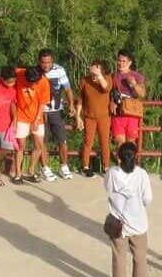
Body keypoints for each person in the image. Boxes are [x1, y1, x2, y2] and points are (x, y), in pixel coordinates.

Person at [105, 141, 152, 277]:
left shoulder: (111, 173)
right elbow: (147, 199)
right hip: (138, 223)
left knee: (119, 259)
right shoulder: (142, 174)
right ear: (135, 156)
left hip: (117, 222)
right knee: (140, 259)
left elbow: (108, 190)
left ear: (118, 157)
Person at [37, 49, 76, 181]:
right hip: (40, 112)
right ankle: (45, 168)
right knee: (42, 142)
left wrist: (71, 104)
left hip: (55, 111)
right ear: (39, 62)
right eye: (43, 62)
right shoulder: (34, 71)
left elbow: (68, 89)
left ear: (52, 61)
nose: (46, 65)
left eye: (48, 62)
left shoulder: (60, 70)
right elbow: (15, 73)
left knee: (62, 140)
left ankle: (64, 166)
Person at [13, 65, 51, 183]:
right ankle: (18, 173)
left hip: (37, 117)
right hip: (21, 116)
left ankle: (31, 171)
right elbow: (6, 72)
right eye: (30, 82)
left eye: (35, 82)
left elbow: (42, 102)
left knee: (39, 145)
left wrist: (37, 119)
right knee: (20, 146)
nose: (33, 84)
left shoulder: (44, 82)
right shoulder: (19, 73)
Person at [76, 59, 112, 177]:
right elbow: (80, 99)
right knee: (88, 142)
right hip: (89, 116)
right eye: (92, 68)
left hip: (104, 117)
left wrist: (99, 76)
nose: (93, 71)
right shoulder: (84, 81)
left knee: (104, 143)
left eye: (96, 69)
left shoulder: (107, 78)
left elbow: (106, 88)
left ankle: (106, 167)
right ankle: (85, 166)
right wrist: (78, 116)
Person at [110, 51, 146, 151]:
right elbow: (108, 92)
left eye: (124, 61)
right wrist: (111, 101)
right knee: (119, 143)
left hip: (132, 113)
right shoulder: (113, 76)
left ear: (129, 63)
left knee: (131, 143)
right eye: (119, 60)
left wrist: (134, 84)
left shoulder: (137, 76)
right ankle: (121, 165)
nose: (120, 63)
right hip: (118, 113)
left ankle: (130, 165)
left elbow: (142, 94)